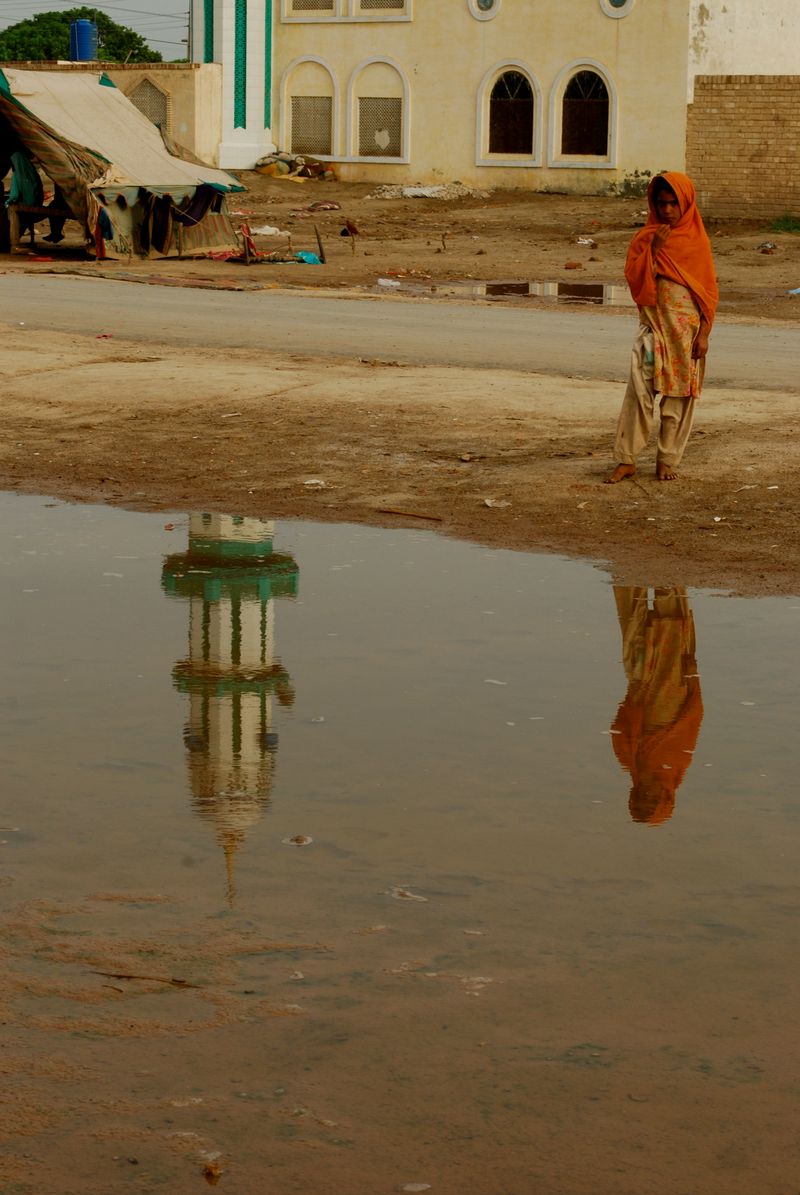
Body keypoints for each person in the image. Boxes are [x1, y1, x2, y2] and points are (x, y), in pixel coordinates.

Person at [605, 172, 718, 483]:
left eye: (673, 204)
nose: (667, 210)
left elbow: (708, 294)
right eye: (661, 203)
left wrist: (704, 335)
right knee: (638, 395)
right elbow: (635, 282)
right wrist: (654, 248)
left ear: (685, 205)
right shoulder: (646, 238)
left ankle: (667, 460)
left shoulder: (697, 242)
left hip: (685, 337)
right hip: (652, 332)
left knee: (677, 401)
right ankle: (627, 459)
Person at [610, 586, 703, 825]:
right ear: (664, 797)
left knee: (636, 634)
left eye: (640, 797)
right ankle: (668, 582)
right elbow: (693, 716)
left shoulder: (629, 759)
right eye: (649, 798)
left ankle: (629, 573)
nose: (644, 792)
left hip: (642, 688)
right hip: (673, 691)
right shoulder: (676, 763)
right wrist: (692, 677)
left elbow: (619, 726)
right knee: (672, 628)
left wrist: (635, 701)